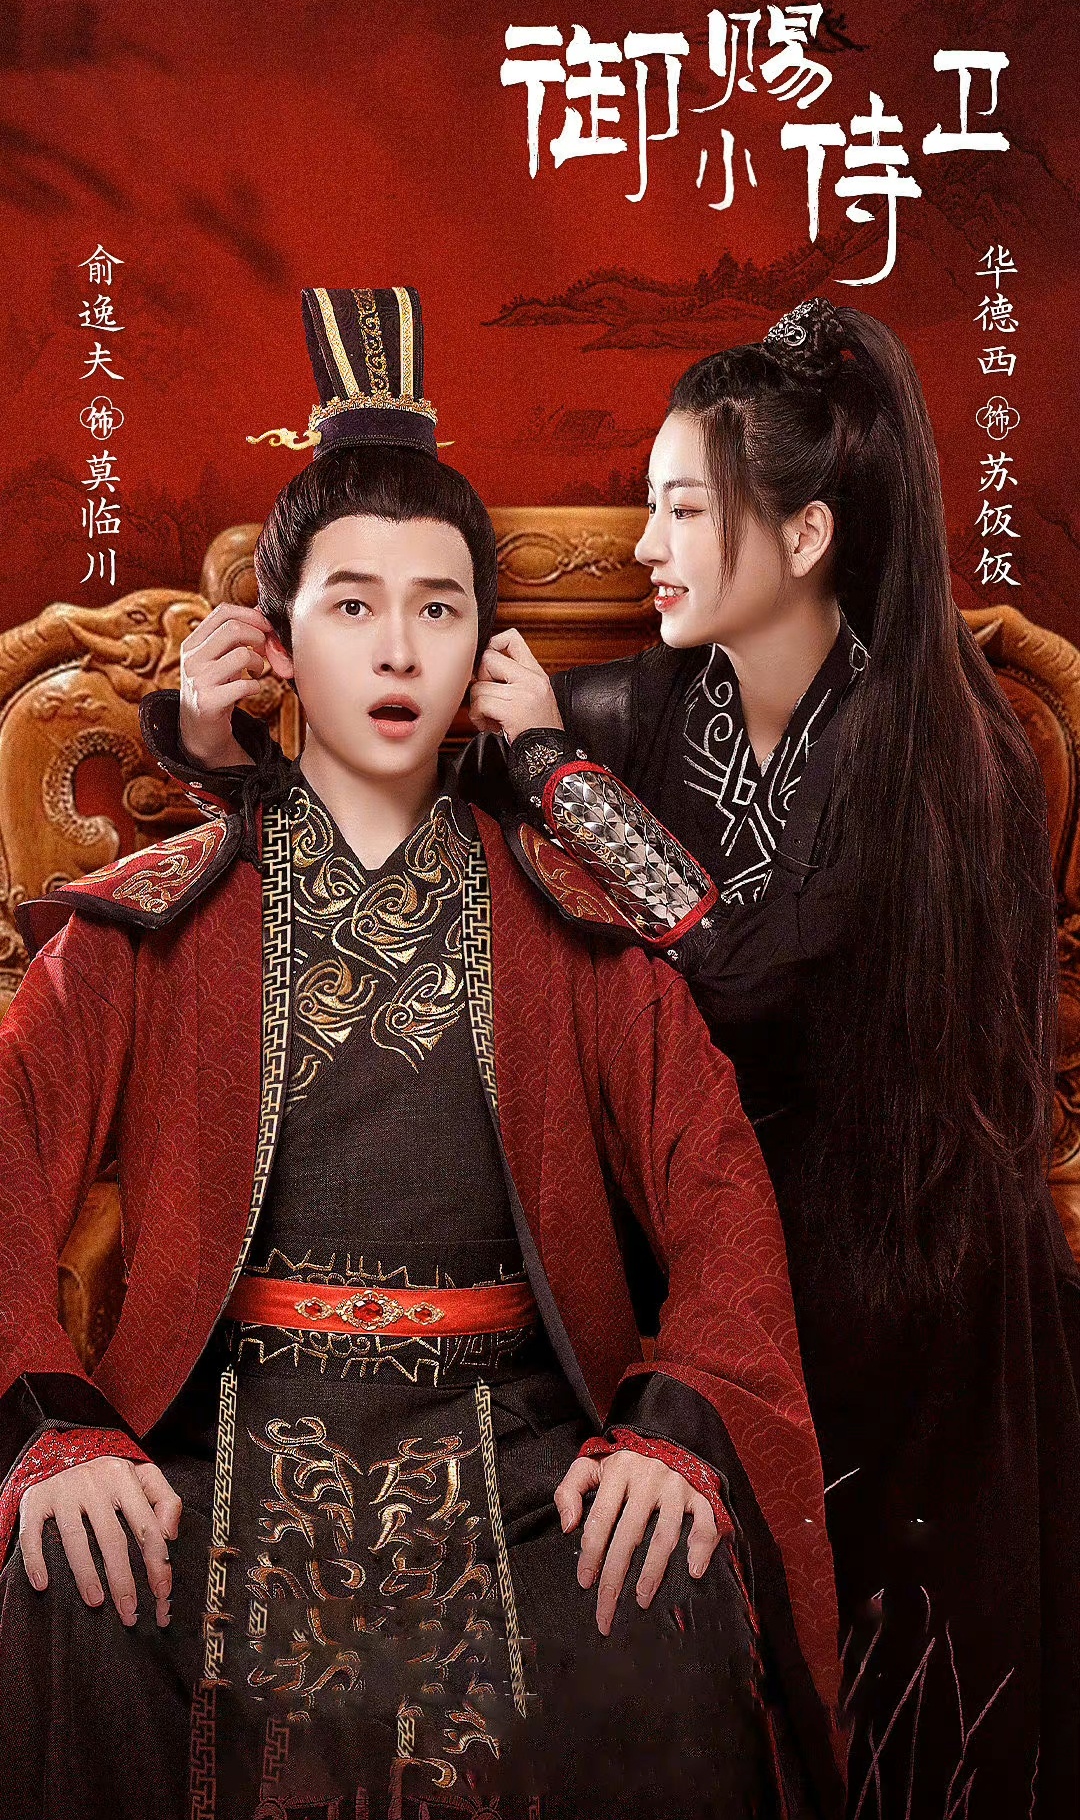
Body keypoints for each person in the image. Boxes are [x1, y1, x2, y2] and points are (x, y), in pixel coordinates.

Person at [178, 297, 1080, 1818]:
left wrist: (553, 769)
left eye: (682, 510)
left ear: (804, 537)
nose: (647, 544)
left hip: (903, 1274)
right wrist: (211, 747)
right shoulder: (659, 707)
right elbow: (382, 793)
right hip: (715, 1232)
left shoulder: (940, 753)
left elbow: (748, 976)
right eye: (648, 506)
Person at [0, 287, 843, 1820]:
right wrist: (50, 1418)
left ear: (482, 649)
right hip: (225, 1441)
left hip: (515, 1455)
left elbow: (718, 1182)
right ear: (277, 643)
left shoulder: (564, 918)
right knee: (75, 1576)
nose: (398, 647)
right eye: (352, 604)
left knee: (662, 1587)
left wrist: (676, 1422)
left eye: (439, 607)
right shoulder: (161, 918)